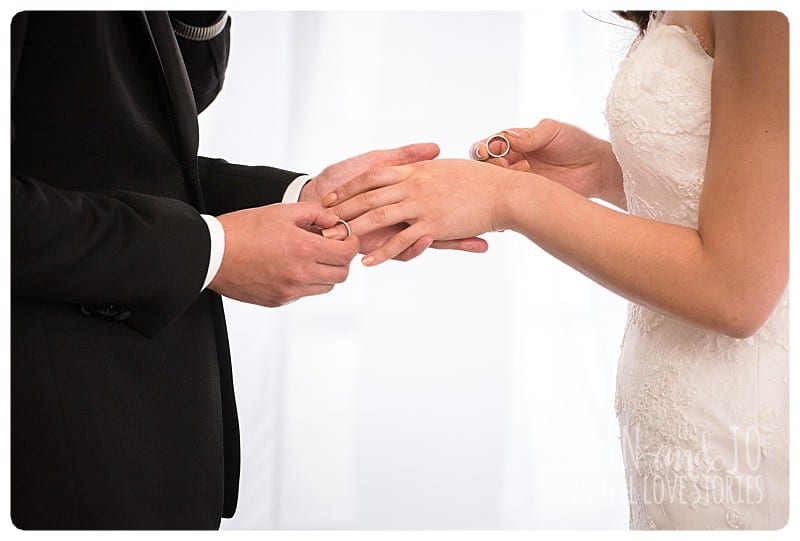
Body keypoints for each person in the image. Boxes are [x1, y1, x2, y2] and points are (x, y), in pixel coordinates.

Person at [10, 11, 486, 529]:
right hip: (44, 448)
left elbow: (116, 143)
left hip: (144, 444)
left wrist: (312, 201)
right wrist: (212, 251)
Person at [322, 11, 789, 530]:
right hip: (676, 415)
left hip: (741, 415)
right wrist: (603, 170)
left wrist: (511, 197)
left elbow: (737, 291)